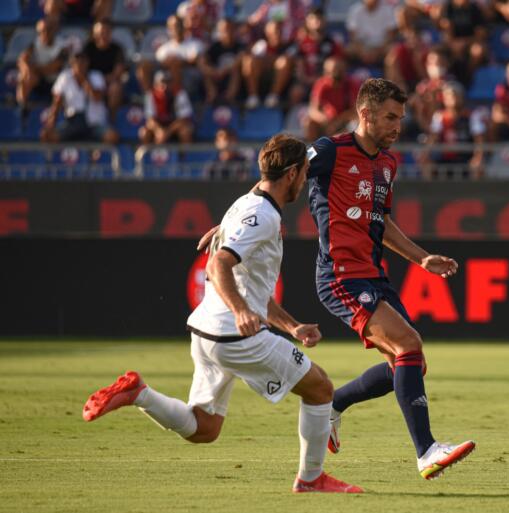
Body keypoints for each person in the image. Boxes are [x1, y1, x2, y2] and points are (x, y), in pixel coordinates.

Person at [83, 133, 363, 494]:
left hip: (205, 332)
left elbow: (254, 289)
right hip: (234, 335)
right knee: (321, 388)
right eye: (306, 171)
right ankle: (311, 479)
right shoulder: (261, 215)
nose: (308, 178)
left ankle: (139, 393)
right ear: (292, 173)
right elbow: (218, 263)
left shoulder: (249, 203)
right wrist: (241, 310)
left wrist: (292, 326)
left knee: (204, 428)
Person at [307, 78, 475, 479]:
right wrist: (242, 220)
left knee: (409, 364)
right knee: (409, 346)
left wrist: (421, 259)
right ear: (364, 114)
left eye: (400, 118)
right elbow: (280, 170)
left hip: (374, 274)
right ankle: (426, 451)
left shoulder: (387, 164)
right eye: (390, 117)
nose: (398, 126)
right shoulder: (330, 151)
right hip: (339, 275)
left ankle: (332, 404)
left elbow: (381, 223)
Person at [40, 51, 118, 144]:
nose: (80, 65)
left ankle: (98, 156)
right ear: (71, 64)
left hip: (93, 123)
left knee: (112, 137)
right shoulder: (65, 77)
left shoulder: (96, 76)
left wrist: (85, 81)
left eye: (83, 61)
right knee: (47, 136)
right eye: (76, 62)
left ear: (87, 63)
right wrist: (51, 125)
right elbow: (56, 102)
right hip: (72, 122)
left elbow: (97, 97)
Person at [305, 57, 360, 141]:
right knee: (309, 122)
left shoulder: (352, 84)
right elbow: (313, 110)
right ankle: (312, 148)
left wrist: (338, 122)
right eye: (330, 72)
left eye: (338, 71)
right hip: (327, 122)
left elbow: (356, 111)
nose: (333, 75)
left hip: (345, 122)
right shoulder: (321, 84)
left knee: (355, 124)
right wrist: (324, 120)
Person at [16, 18, 66, 111]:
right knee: (24, 75)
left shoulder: (62, 45)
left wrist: (33, 69)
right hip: (41, 80)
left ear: (54, 30)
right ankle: (22, 107)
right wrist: (28, 70)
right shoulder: (34, 44)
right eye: (42, 31)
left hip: (57, 82)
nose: (45, 34)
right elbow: (22, 60)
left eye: (48, 30)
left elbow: (53, 67)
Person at [83, 19, 126, 121]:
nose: (103, 35)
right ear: (94, 34)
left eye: (106, 32)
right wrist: (92, 83)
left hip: (108, 83)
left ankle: (110, 120)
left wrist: (101, 82)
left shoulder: (117, 49)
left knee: (115, 88)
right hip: (90, 82)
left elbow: (117, 74)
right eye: (100, 33)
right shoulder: (88, 48)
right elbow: (81, 70)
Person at [139, 70, 195, 144]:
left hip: (175, 126)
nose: (165, 86)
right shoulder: (150, 95)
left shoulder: (180, 93)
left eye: (168, 82)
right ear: (155, 84)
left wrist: (167, 132)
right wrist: (159, 131)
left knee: (185, 131)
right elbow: (150, 120)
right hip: (159, 126)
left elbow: (183, 120)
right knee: (144, 132)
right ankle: (146, 155)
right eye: (162, 82)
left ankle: (186, 155)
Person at [199, 18, 245, 105]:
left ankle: (229, 98)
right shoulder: (214, 47)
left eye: (230, 29)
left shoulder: (240, 46)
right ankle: (212, 96)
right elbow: (202, 64)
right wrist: (213, 71)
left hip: (234, 79)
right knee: (206, 74)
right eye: (224, 30)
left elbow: (240, 60)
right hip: (217, 76)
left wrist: (224, 71)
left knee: (236, 72)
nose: (227, 32)